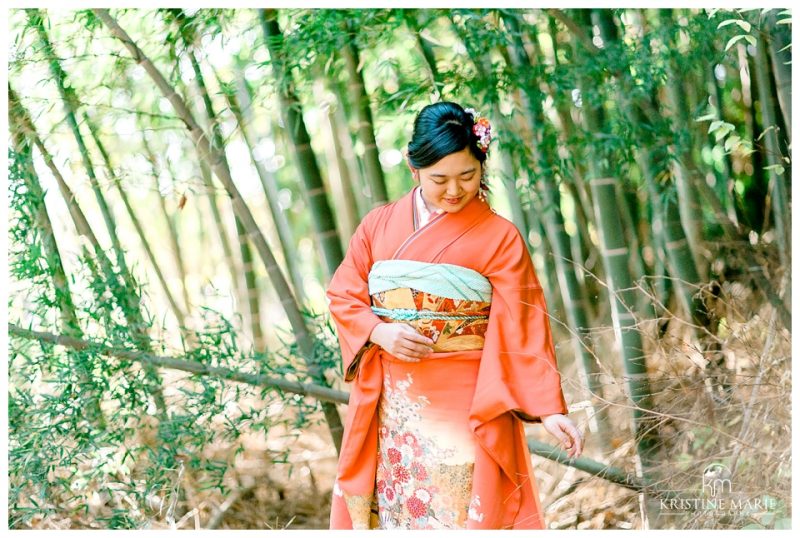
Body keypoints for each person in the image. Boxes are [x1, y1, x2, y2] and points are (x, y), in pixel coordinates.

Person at [326, 101, 583, 530]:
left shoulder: (500, 237)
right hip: (395, 399)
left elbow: (523, 322)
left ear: (482, 166)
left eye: (467, 176)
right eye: (438, 179)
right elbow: (342, 294)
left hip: (469, 398)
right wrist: (378, 333)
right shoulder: (377, 225)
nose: (453, 190)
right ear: (414, 169)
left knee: (459, 506)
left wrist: (548, 408)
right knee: (401, 503)